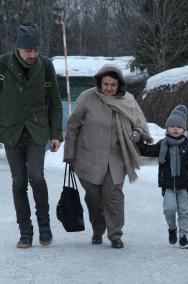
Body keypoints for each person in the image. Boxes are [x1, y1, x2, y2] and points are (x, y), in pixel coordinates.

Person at [0, 21, 63, 248]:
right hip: (11, 131)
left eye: (36, 50)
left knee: (36, 176)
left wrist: (56, 133)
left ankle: (44, 224)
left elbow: (55, 102)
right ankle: (25, 229)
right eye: (28, 51)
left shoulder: (45, 66)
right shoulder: (2, 65)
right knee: (18, 182)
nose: (33, 55)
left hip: (37, 131)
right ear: (18, 48)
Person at [63, 64, 152, 249]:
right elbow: (73, 126)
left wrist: (137, 133)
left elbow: (141, 125)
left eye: (113, 84)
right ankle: (98, 229)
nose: (109, 88)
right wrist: (69, 154)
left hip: (116, 159)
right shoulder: (87, 98)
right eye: (106, 84)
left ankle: (115, 235)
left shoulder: (128, 100)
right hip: (88, 158)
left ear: (119, 84)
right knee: (94, 199)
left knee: (114, 197)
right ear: (100, 83)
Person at [136, 105, 188, 249]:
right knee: (169, 210)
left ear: (184, 129)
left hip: (185, 185)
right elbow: (147, 150)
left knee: (184, 212)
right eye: (172, 126)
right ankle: (172, 228)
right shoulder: (162, 144)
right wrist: (139, 142)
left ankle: (183, 237)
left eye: (179, 126)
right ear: (167, 128)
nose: (175, 129)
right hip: (168, 185)